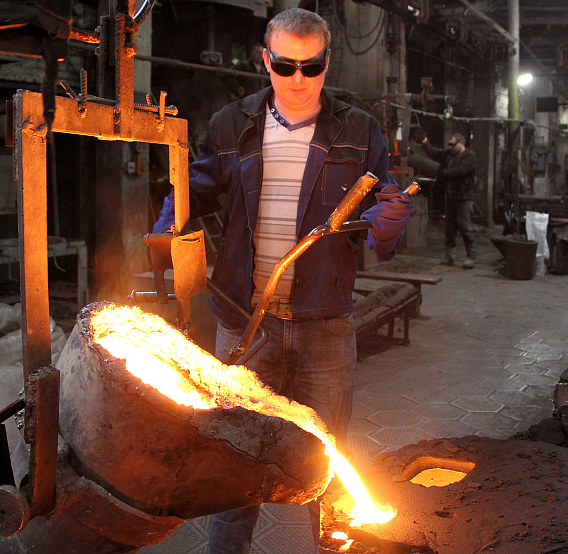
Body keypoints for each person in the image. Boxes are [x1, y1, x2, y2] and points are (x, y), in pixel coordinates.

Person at [152, 8, 410, 553]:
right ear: (265, 60)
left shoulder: (358, 130)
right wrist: (172, 218)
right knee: (233, 461)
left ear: (327, 63)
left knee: (328, 461)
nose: (298, 79)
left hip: (325, 325)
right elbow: (197, 187)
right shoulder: (231, 124)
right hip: (246, 324)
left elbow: (380, 208)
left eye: (311, 67)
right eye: (285, 65)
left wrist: (388, 223)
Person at [414, 128, 477, 268]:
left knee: (465, 227)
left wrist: (445, 173)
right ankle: (450, 257)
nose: (450, 147)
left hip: (464, 197)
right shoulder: (448, 154)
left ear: (461, 143)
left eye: (453, 144)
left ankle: (471, 256)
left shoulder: (469, 156)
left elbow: (461, 170)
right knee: (449, 228)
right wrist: (424, 140)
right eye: (449, 144)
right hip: (451, 196)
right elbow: (433, 153)